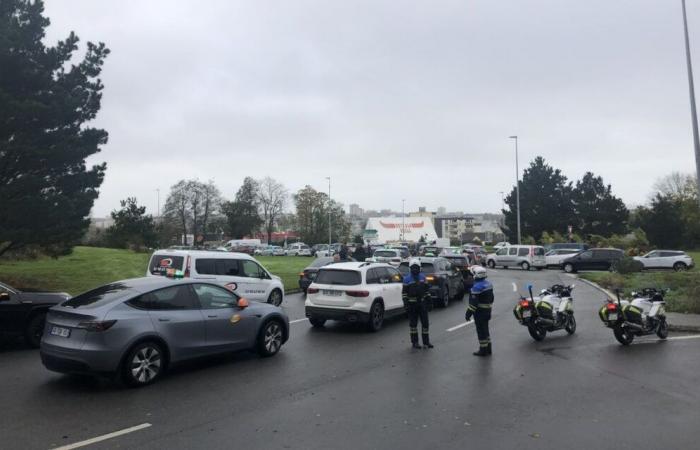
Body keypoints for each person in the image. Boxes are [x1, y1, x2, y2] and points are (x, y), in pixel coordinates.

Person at [402, 259, 433, 349]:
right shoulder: (406, 279)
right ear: (410, 268)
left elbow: (427, 291)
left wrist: (429, 302)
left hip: (422, 304)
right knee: (413, 325)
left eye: (416, 268)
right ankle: (415, 342)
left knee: (425, 324)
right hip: (412, 305)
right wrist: (406, 305)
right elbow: (404, 294)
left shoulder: (423, 277)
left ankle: (426, 342)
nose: (415, 269)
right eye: (413, 268)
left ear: (419, 268)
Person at [465, 265, 494, 356]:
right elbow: (492, 298)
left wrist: (468, 314)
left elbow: (473, 304)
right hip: (488, 311)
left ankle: (483, 350)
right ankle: (489, 348)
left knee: (481, 331)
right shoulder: (489, 284)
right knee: (486, 329)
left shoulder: (476, 287)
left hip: (480, 313)